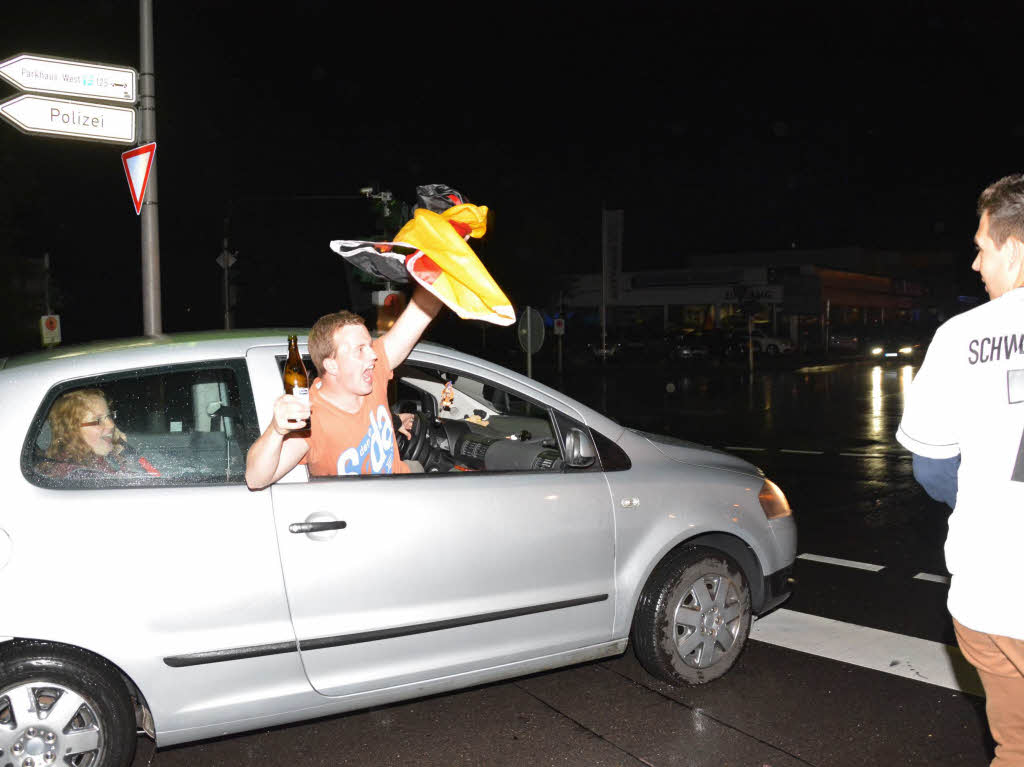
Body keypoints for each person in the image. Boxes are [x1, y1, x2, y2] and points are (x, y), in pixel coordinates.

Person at [896, 173, 1024, 766]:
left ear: (1015, 248)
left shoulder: (959, 337)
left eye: (982, 246)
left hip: (993, 593)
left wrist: (990, 501)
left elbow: (932, 468)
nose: (975, 264)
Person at [245, 286, 442, 488]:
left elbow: (422, 310)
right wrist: (276, 430)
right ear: (331, 365)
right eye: (360, 349)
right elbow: (256, 479)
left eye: (370, 346)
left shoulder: (373, 371)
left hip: (404, 488)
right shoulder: (312, 417)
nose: (373, 355)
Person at [35, 388, 159, 480]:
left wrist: (120, 452)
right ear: (71, 431)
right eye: (98, 420)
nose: (111, 425)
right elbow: (152, 482)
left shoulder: (90, 460)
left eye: (109, 416)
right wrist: (125, 454)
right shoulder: (80, 475)